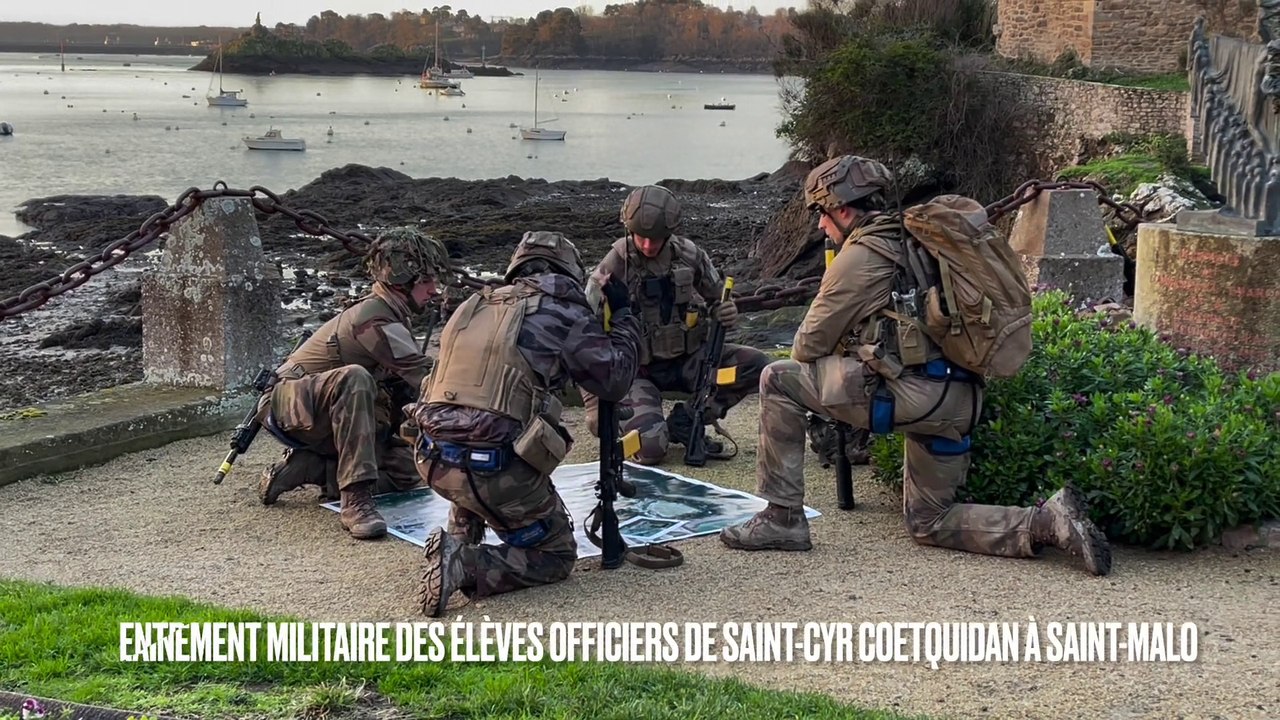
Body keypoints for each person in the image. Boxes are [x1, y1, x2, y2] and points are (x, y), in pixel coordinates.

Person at [719, 155, 1113, 577]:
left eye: (821, 214)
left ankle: (782, 519)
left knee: (777, 378)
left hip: (912, 398)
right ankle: (1047, 523)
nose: (819, 226)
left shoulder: (863, 255)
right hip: (960, 401)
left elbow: (805, 346)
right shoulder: (922, 240)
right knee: (929, 520)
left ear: (843, 209)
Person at [407, 231, 642, 617]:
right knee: (554, 554)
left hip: (431, 459)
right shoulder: (565, 311)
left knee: (473, 421)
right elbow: (614, 379)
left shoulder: (473, 306)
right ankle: (465, 562)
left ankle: (461, 531)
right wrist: (625, 319)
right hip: (492, 470)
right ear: (568, 271)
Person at [256, 227, 451, 540]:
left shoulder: (391, 313)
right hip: (286, 403)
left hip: (322, 410)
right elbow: (430, 378)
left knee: (406, 474)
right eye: (427, 281)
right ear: (403, 280)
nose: (434, 291)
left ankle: (313, 469)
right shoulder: (373, 318)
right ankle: (355, 501)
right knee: (355, 377)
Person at [580, 184, 771, 465]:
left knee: (757, 366)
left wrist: (726, 310)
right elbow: (585, 339)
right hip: (636, 373)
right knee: (651, 449)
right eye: (641, 237)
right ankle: (647, 424)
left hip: (687, 362)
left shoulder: (690, 255)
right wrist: (594, 404)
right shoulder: (612, 268)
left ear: (669, 233)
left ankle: (690, 418)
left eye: (655, 238)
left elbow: (719, 298)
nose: (647, 245)